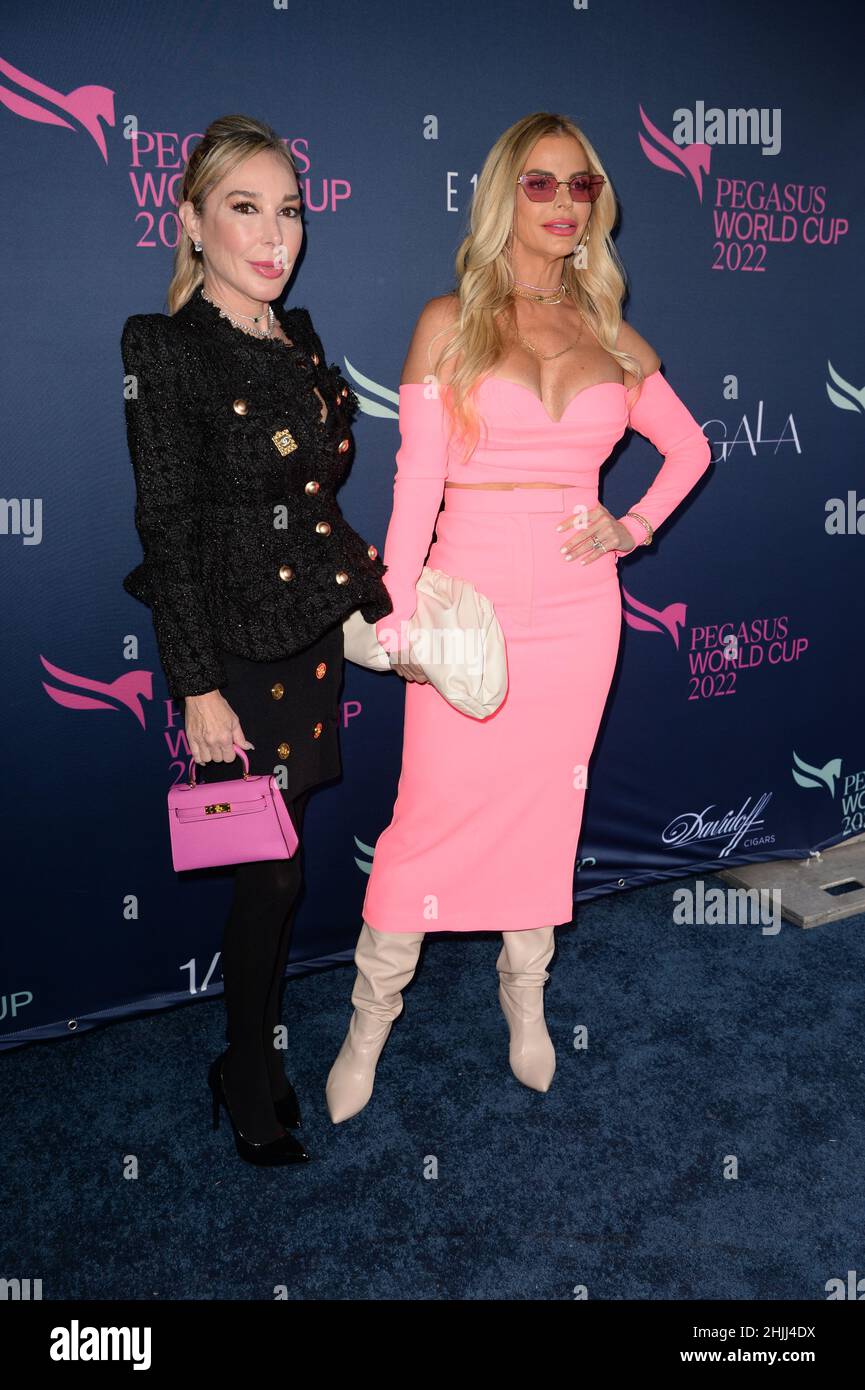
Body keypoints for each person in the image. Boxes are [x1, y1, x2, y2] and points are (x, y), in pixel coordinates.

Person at [326, 111, 713, 1123]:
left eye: (580, 185)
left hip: (580, 615)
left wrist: (627, 527)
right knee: (424, 818)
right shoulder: (445, 321)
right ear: (504, 194)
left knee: (550, 814)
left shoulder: (612, 335)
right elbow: (413, 491)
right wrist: (398, 620)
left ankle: (525, 998)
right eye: (540, 184)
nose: (563, 203)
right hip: (469, 607)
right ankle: (369, 1020)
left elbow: (693, 452)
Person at [120, 114, 393, 1165]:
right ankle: (245, 1067)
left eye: (288, 210)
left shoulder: (301, 336)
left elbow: (316, 505)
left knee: (283, 863)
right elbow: (168, 526)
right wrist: (193, 685)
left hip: (309, 639)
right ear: (191, 221)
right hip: (232, 648)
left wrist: (374, 600)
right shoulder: (163, 348)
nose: (273, 235)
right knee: (269, 872)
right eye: (245, 208)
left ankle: (257, 1052)